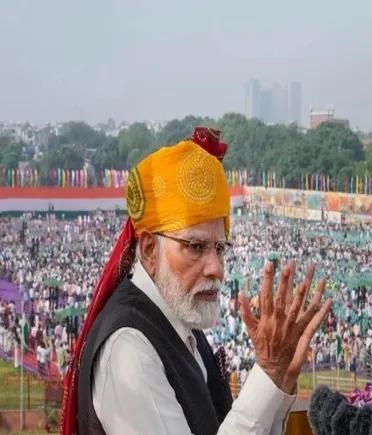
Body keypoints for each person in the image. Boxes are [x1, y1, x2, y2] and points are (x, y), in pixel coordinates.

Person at [60, 128, 331, 435]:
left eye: (220, 248)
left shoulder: (180, 321)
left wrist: (278, 381)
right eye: (195, 246)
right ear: (149, 249)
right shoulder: (129, 350)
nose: (216, 269)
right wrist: (267, 371)